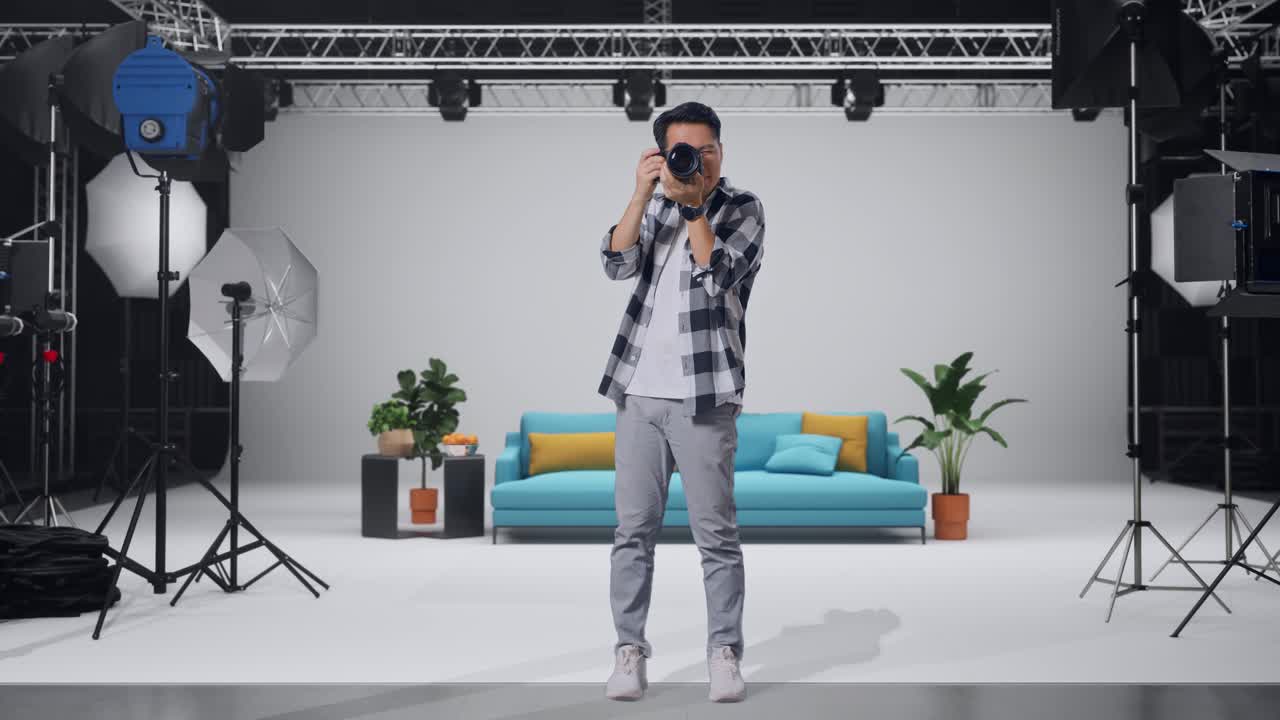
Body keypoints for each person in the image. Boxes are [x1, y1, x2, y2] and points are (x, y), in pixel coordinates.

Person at [597, 101, 765, 703]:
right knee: (632, 531)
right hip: (638, 391)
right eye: (681, 151)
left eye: (706, 149)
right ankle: (628, 651)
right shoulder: (655, 205)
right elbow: (615, 264)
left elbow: (716, 275)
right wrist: (643, 195)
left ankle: (724, 653)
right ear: (663, 154)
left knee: (715, 535)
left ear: (721, 150)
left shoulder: (743, 208)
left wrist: (694, 206)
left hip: (704, 396)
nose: (696, 160)